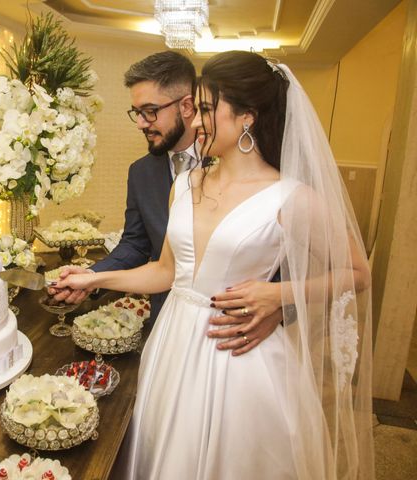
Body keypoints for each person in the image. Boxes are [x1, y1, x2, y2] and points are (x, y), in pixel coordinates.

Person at [54, 51, 374, 479]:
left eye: (206, 109)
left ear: (247, 117)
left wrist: (276, 294)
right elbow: (166, 272)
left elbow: (357, 272)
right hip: (173, 344)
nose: (197, 121)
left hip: (237, 357)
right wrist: (94, 276)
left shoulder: (291, 197)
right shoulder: (186, 184)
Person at [55, 51, 283, 355]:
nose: (140, 123)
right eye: (135, 112)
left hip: (240, 335)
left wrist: (279, 309)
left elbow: (291, 261)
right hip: (169, 326)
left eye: (150, 111)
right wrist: (92, 278)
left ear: (186, 106)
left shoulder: (249, 166)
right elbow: (136, 246)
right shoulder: (141, 172)